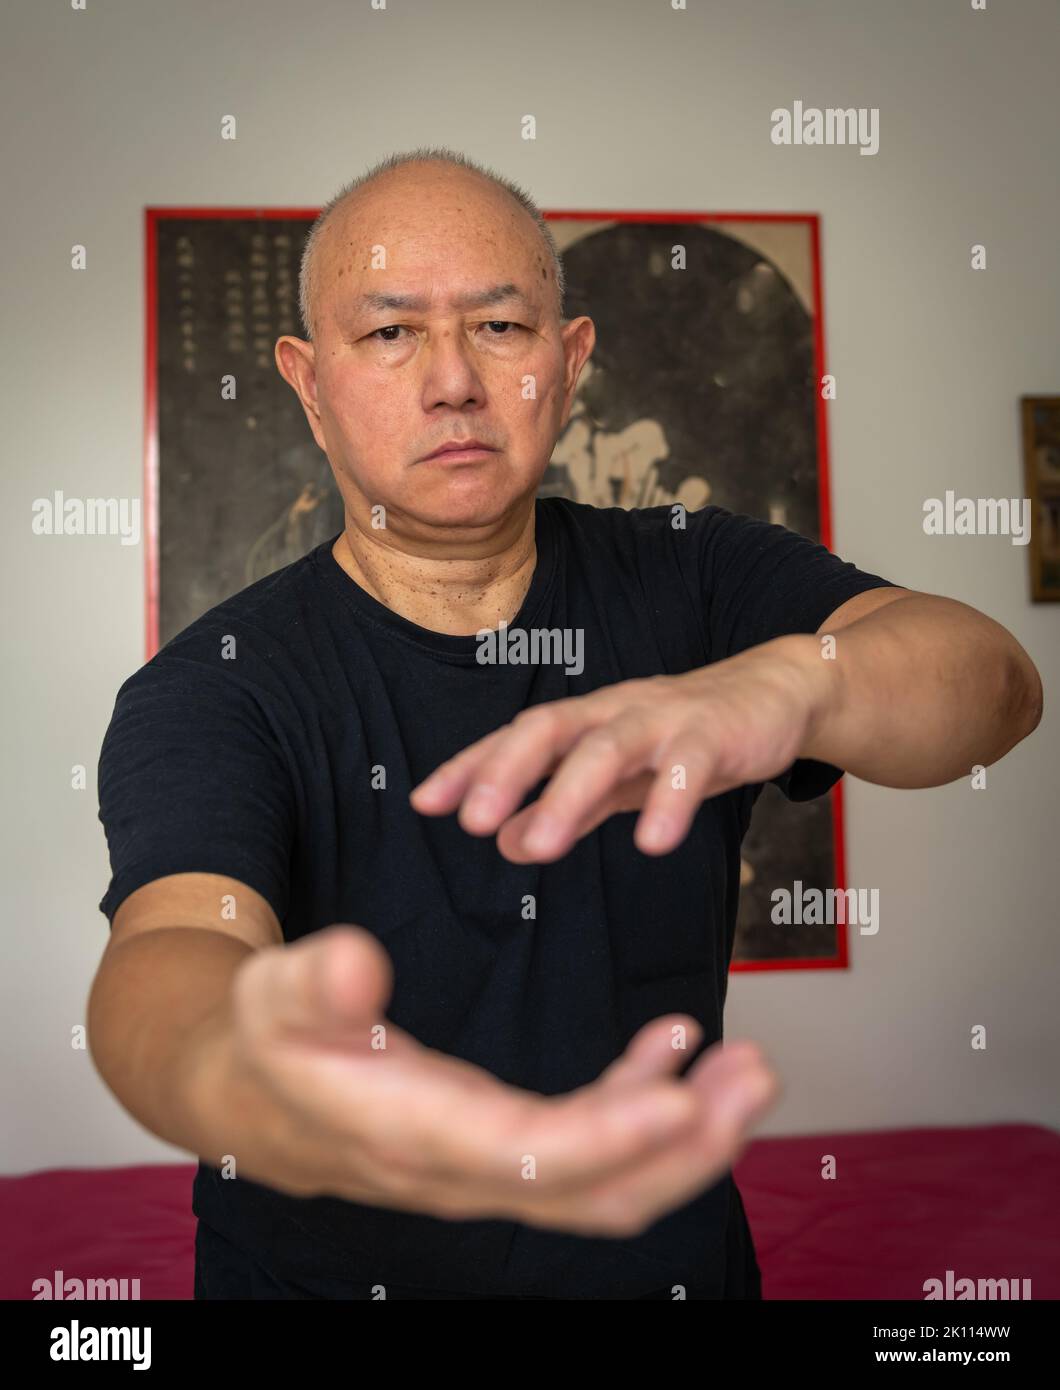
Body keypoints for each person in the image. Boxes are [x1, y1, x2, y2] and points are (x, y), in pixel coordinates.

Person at [88, 147, 1043, 1301]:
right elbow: (172, 949)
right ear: (307, 380)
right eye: (389, 333)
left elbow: (995, 686)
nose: (452, 381)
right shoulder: (217, 685)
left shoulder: (692, 580)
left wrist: (796, 683)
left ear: (570, 359)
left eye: (499, 326)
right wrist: (249, 1074)